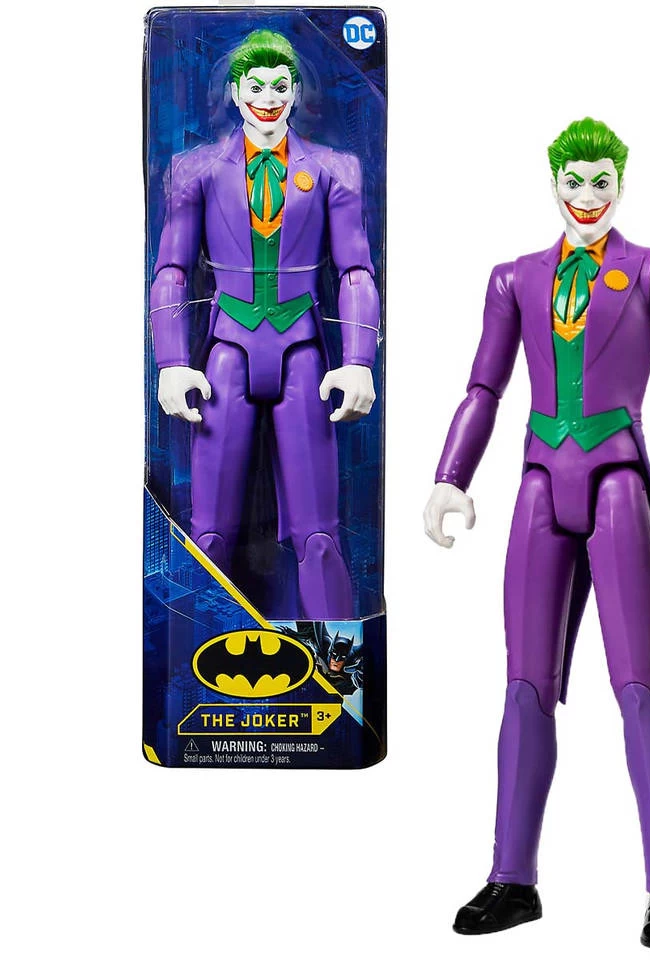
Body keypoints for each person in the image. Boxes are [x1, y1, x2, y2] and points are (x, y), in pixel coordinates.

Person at [423, 117, 650, 948]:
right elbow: (483, 388)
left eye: (601, 180)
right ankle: (511, 878)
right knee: (524, 686)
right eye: (574, 180)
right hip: (537, 484)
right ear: (553, 181)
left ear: (620, 183)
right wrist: (450, 476)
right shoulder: (514, 278)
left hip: (618, 479)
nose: (587, 196)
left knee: (639, 686)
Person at [150, 29, 379, 618]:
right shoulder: (194, 170)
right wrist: (172, 362)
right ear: (234, 92)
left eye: (281, 86)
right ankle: (200, 651)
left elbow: (356, 270)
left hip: (303, 353)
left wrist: (358, 360)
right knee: (208, 532)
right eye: (256, 86)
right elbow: (172, 269)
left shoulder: (335, 170)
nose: (269, 99)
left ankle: (337, 660)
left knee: (319, 531)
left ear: (297, 91)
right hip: (225, 352)